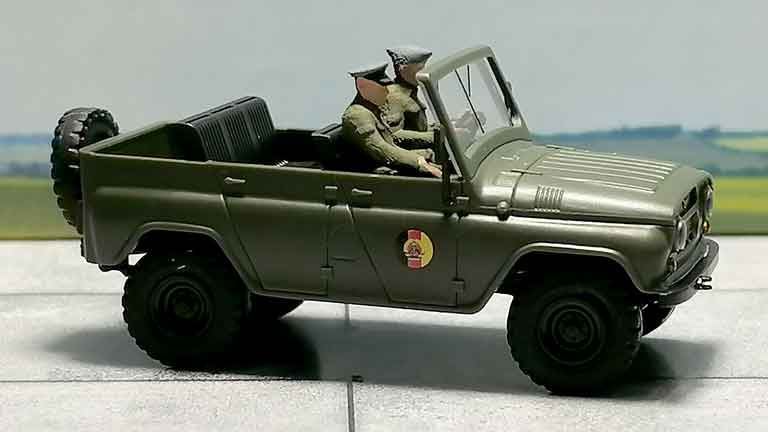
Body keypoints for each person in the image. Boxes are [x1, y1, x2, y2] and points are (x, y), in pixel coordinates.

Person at [341, 63, 442, 178]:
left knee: (433, 155)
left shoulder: (374, 109)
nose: (387, 92)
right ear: (362, 87)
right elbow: (382, 150)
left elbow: (391, 141)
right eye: (382, 88)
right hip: (372, 173)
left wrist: (424, 155)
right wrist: (418, 161)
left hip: (386, 162)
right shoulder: (357, 116)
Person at [385, 45, 435, 149]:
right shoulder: (395, 97)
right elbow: (394, 134)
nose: (424, 72)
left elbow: (416, 128)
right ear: (402, 68)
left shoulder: (410, 91)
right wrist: (433, 137)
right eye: (420, 68)